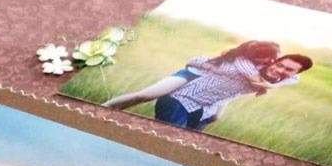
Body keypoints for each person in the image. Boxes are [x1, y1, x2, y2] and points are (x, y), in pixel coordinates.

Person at [104, 41, 312, 130]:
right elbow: (255, 81)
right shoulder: (242, 65)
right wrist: (266, 86)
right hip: (192, 77)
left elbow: (292, 79)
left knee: (213, 117)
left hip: (213, 100)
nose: (278, 68)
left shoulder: (287, 76)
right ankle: (106, 108)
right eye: (278, 64)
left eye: (287, 69)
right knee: (145, 95)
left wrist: (273, 85)